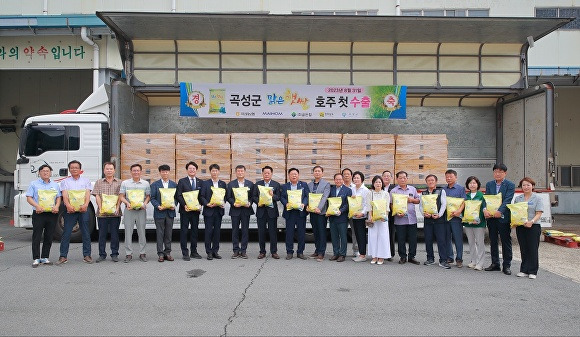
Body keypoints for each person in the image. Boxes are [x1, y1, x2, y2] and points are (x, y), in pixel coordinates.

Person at [58, 160, 93, 264]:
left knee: (86, 233)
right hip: (70, 211)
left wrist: (86, 205)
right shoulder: (65, 182)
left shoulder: (86, 181)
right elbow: (64, 195)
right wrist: (68, 206)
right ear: (69, 169)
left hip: (83, 210)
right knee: (67, 233)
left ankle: (87, 255)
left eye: (76, 167)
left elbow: (87, 194)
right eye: (72, 168)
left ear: (80, 169)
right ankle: (63, 256)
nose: (74, 169)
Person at [26, 164, 61, 267]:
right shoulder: (34, 184)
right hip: (39, 213)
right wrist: (36, 206)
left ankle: (45, 257)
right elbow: (29, 197)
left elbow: (58, 197)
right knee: (37, 235)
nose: (45, 173)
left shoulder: (55, 185)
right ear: (39, 173)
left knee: (49, 235)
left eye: (47, 171)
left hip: (52, 214)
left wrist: (57, 206)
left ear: (50, 173)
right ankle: (36, 258)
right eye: (43, 171)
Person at [484, 163, 515, 275]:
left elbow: (508, 199)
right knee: (493, 241)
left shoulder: (510, 185)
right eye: (495, 171)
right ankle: (495, 263)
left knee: (506, 241)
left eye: (500, 172)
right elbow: (486, 198)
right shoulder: (489, 184)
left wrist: (499, 211)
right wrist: (485, 210)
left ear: (505, 173)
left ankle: (506, 265)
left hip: (503, 217)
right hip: (491, 218)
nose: (497, 174)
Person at [119, 163, 151, 263]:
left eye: (138, 170)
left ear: (141, 172)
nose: (136, 172)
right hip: (129, 210)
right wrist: (127, 203)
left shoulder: (146, 183)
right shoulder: (125, 183)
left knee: (142, 232)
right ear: (131, 172)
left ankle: (143, 253)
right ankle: (128, 254)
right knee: (128, 232)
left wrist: (144, 204)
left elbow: (148, 196)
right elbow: (121, 196)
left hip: (141, 211)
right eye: (134, 170)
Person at [514, 177, 544, 279]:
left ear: (533, 186)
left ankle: (533, 271)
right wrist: (514, 222)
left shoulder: (537, 198)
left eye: (528, 185)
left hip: (533, 226)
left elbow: (539, 213)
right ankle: (524, 270)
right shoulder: (518, 198)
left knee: (533, 248)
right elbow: (515, 212)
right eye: (523, 185)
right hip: (521, 226)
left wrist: (532, 221)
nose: (526, 187)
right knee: (524, 248)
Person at [92, 162, 122, 263]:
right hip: (102, 213)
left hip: (115, 213)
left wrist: (117, 208)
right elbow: (97, 195)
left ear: (114, 170)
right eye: (107, 169)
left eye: (111, 169)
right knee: (102, 234)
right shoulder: (99, 182)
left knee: (115, 234)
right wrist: (100, 208)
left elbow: (120, 197)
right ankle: (102, 254)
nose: (109, 170)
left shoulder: (119, 182)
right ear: (104, 170)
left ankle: (114, 254)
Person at [390, 171, 421, 265]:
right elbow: (391, 204)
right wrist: (396, 212)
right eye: (400, 178)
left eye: (404, 177)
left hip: (412, 219)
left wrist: (412, 200)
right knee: (401, 239)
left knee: (413, 239)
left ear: (407, 178)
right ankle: (402, 257)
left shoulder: (412, 189)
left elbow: (418, 200)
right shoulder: (394, 191)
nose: (402, 179)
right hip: (400, 219)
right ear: (397, 179)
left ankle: (412, 257)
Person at [175, 161, 203, 261]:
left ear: (196, 170)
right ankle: (185, 253)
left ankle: (194, 252)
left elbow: (202, 196)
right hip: (185, 211)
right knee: (184, 231)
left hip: (195, 211)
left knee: (195, 231)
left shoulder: (200, 182)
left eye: (193, 168)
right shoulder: (182, 181)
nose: (192, 170)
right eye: (190, 168)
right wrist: (184, 205)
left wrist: (201, 204)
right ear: (187, 170)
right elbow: (178, 195)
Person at [420, 174, 449, 269]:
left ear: (436, 182)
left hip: (439, 220)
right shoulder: (423, 193)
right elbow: (421, 206)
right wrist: (424, 213)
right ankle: (430, 258)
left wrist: (439, 215)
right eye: (428, 180)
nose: (430, 182)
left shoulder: (441, 191)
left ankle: (443, 260)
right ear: (426, 182)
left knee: (441, 240)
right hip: (428, 220)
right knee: (428, 240)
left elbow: (444, 204)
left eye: (432, 180)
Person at [280, 167, 310, 260]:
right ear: (289, 176)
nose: (294, 175)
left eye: (295, 174)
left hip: (300, 213)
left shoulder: (304, 185)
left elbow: (306, 196)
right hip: (290, 213)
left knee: (301, 233)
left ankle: (300, 252)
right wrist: (286, 203)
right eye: (292, 174)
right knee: (289, 233)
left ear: (298, 175)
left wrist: (304, 204)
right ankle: (289, 252)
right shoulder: (285, 186)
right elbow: (282, 197)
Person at [150, 164, 177, 262]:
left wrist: (174, 204)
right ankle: (160, 254)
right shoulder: (154, 185)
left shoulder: (174, 185)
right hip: (159, 212)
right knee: (160, 233)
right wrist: (158, 206)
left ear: (169, 172)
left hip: (170, 212)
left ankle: (168, 253)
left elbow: (176, 198)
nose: (165, 173)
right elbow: (152, 198)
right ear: (160, 173)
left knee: (168, 234)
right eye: (163, 171)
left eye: (166, 171)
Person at [253, 165, 281, 259]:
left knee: (273, 232)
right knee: (261, 232)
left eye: (268, 173)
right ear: (262, 174)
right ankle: (262, 252)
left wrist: (273, 195)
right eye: (265, 173)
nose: (266, 174)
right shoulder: (257, 184)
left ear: (271, 174)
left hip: (272, 212)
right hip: (261, 211)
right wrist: (258, 202)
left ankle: (274, 252)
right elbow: (254, 196)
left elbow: (278, 198)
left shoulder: (276, 184)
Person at [227, 165, 254, 259]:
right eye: (238, 171)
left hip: (246, 210)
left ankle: (243, 251)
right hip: (235, 210)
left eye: (242, 171)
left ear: (245, 172)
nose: (240, 173)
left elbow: (252, 197)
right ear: (236, 172)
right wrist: (234, 203)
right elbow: (228, 197)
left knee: (245, 231)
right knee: (235, 231)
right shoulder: (231, 184)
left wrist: (249, 203)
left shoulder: (250, 184)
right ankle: (235, 250)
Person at [200, 163, 227, 260]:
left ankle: (215, 251)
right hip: (209, 210)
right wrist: (207, 204)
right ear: (210, 172)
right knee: (208, 231)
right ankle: (209, 252)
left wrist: (223, 202)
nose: (214, 172)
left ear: (219, 172)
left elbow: (225, 197)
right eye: (212, 171)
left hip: (218, 211)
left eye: (216, 170)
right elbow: (201, 196)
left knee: (217, 232)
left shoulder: (223, 184)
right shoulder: (205, 183)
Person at [444, 169, 467, 268]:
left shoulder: (461, 189)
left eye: (450, 176)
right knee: (447, 238)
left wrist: (459, 212)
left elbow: (464, 201)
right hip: (446, 217)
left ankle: (459, 259)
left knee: (458, 238)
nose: (448, 178)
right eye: (447, 177)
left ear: (456, 177)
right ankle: (449, 257)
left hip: (456, 218)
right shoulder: (443, 189)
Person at [307, 165, 330, 262]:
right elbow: (307, 197)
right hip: (312, 212)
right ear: (313, 173)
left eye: (319, 171)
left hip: (321, 212)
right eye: (315, 171)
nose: (317, 172)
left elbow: (325, 197)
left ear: (322, 173)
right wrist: (307, 206)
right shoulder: (309, 185)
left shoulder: (326, 184)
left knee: (322, 232)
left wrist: (319, 208)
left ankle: (321, 252)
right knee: (315, 232)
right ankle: (317, 250)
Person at [463, 176, 487, 271]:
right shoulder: (466, 196)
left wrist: (479, 219)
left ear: (478, 185)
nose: (472, 185)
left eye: (474, 183)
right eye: (470, 183)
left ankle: (480, 263)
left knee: (480, 243)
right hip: (468, 223)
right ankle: (473, 261)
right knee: (471, 242)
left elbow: (484, 209)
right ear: (467, 185)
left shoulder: (482, 196)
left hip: (479, 223)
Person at [327, 173, 352, 262]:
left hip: (342, 217)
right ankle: (336, 253)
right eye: (336, 179)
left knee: (343, 236)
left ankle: (342, 254)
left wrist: (341, 210)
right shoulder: (331, 190)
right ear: (334, 180)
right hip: (332, 217)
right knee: (334, 236)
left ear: (343, 180)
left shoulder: (348, 190)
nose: (338, 181)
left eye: (340, 179)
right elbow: (328, 202)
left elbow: (347, 204)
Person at [367, 175, 391, 265]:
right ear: (373, 183)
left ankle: (381, 256)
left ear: (382, 183)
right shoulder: (370, 193)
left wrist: (384, 217)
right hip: (373, 219)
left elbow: (387, 207)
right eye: (376, 182)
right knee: (373, 237)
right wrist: (371, 217)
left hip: (382, 219)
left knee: (382, 237)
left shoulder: (385, 194)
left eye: (380, 182)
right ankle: (374, 256)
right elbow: (369, 207)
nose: (378, 183)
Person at [350, 171, 371, 262]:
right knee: (357, 235)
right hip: (354, 215)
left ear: (362, 179)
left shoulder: (365, 190)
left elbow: (367, 204)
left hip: (361, 217)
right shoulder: (352, 189)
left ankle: (363, 255)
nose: (356, 179)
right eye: (354, 178)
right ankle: (360, 253)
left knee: (361, 235)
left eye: (358, 178)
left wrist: (362, 213)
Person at [342, 168, 358, 257]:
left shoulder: (355, 187)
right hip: (343, 213)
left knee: (354, 232)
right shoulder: (340, 186)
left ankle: (356, 250)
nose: (346, 175)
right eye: (345, 174)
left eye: (348, 174)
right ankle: (342, 251)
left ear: (351, 176)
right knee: (342, 232)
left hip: (353, 213)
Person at [382, 170, 396, 261]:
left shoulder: (395, 188)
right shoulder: (379, 187)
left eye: (388, 176)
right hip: (380, 215)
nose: (386, 177)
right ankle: (382, 253)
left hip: (391, 214)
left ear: (391, 178)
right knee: (382, 234)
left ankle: (390, 254)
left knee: (391, 233)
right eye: (385, 176)